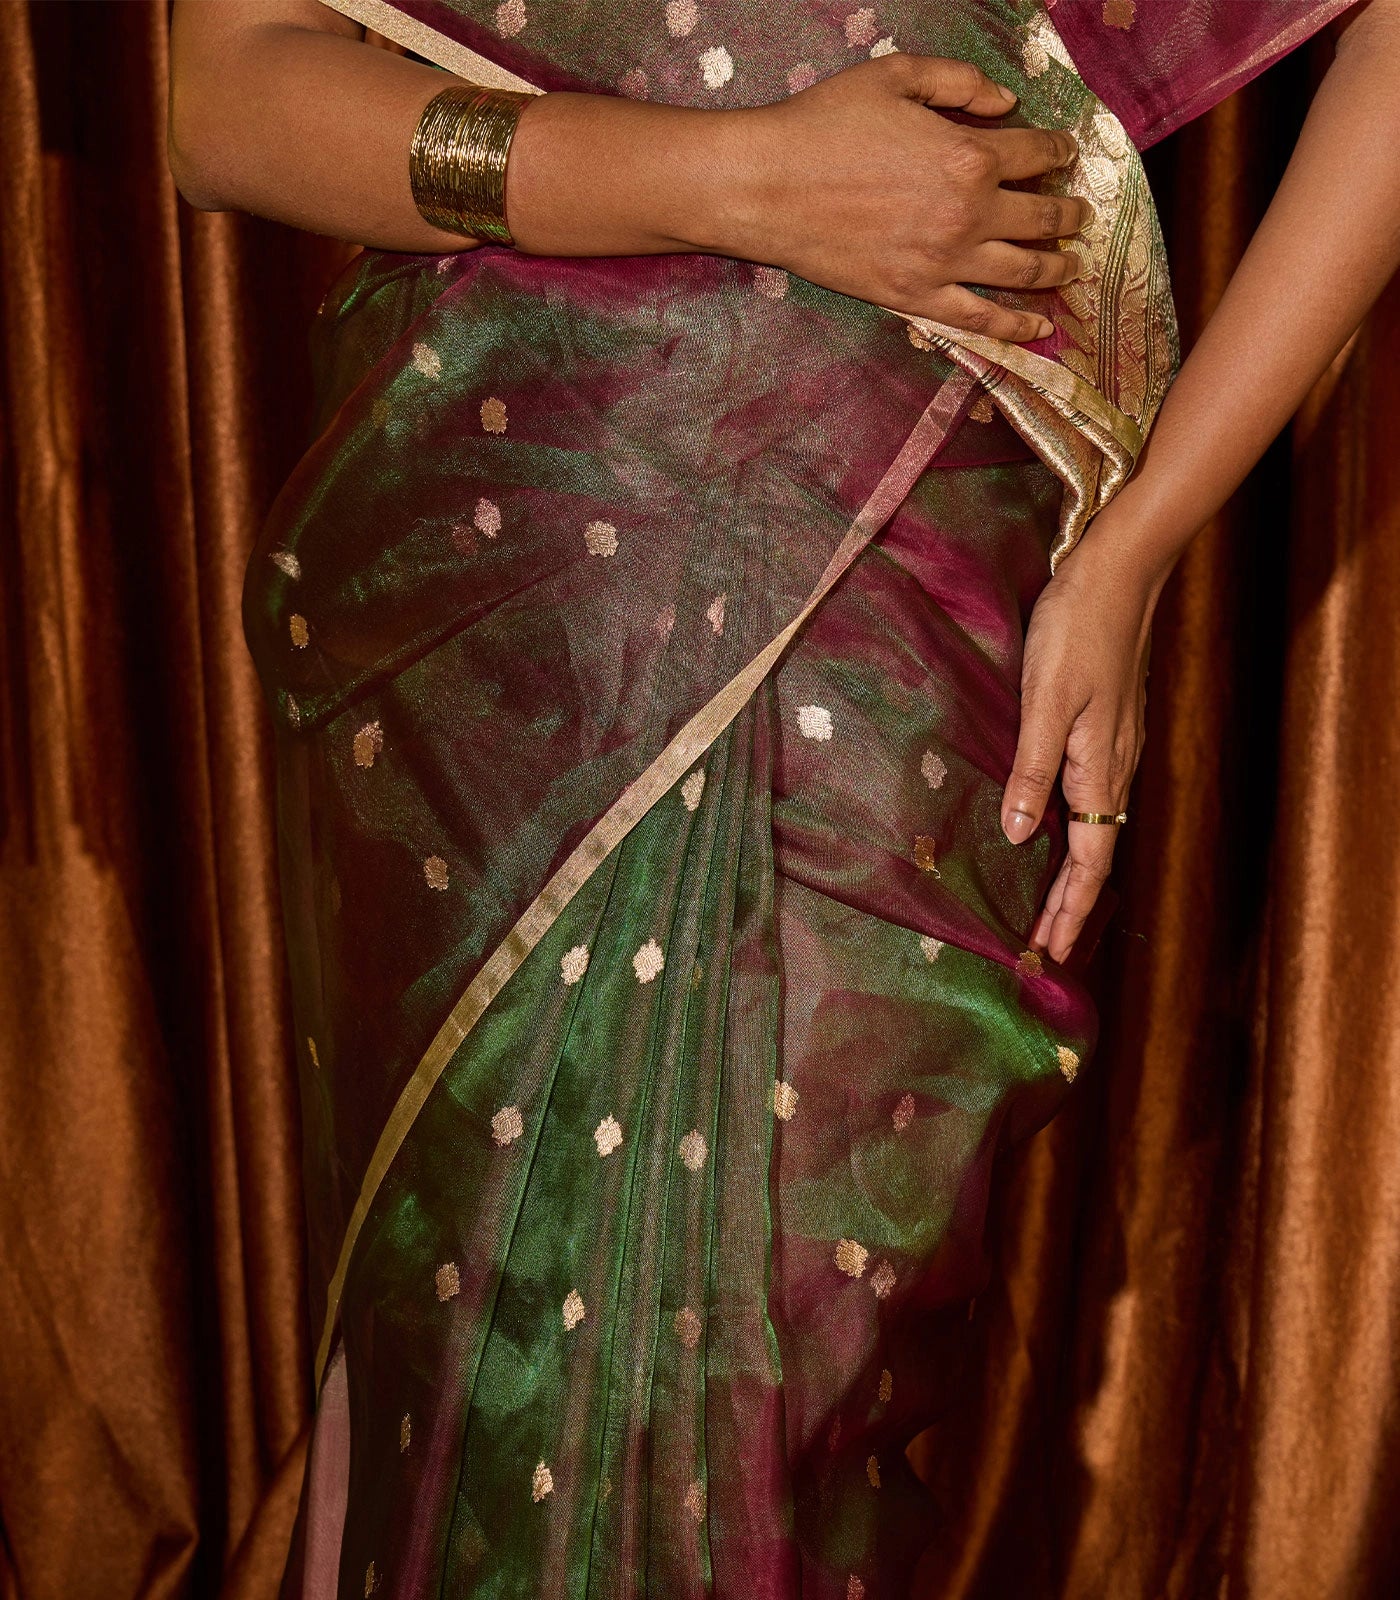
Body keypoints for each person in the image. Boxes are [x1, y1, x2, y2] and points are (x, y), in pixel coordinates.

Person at [167, 2, 1400, 1594]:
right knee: (485, 1363)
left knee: (776, 1396)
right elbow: (230, 93)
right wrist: (740, 179)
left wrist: (1141, 545)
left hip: (895, 626)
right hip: (520, 592)